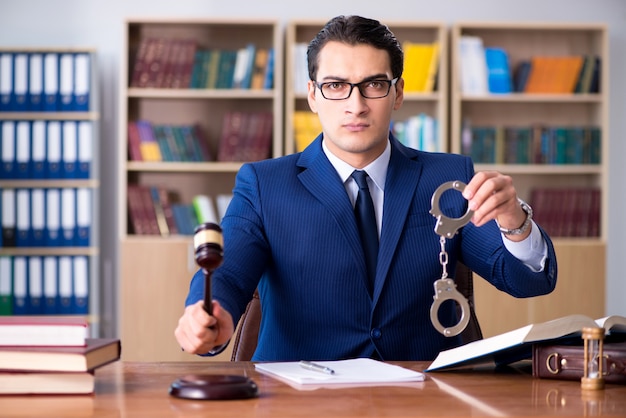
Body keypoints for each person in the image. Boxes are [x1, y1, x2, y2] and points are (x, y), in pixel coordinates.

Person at [175, 15, 557, 361]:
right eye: (336, 86)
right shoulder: (264, 184)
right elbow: (227, 273)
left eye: (374, 84)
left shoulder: (448, 177)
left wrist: (515, 221)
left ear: (398, 93)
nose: (355, 105)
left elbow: (527, 280)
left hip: (424, 396)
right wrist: (207, 314)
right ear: (313, 95)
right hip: (299, 398)